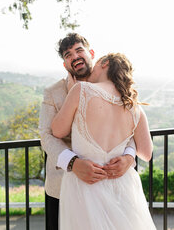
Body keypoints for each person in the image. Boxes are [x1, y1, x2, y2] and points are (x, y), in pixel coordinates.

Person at [39, 33, 137, 230]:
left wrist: (129, 157)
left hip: (108, 186)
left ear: (91, 53)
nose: (74, 56)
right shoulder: (53, 92)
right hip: (62, 188)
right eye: (68, 55)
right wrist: (73, 163)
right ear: (65, 65)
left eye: (79, 50)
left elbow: (131, 128)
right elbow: (46, 135)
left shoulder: (115, 87)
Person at [51, 52, 156, 230]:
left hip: (86, 187)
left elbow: (58, 131)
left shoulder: (81, 90)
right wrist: (128, 156)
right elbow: (146, 153)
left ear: (105, 63)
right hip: (123, 186)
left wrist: (71, 92)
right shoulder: (134, 106)